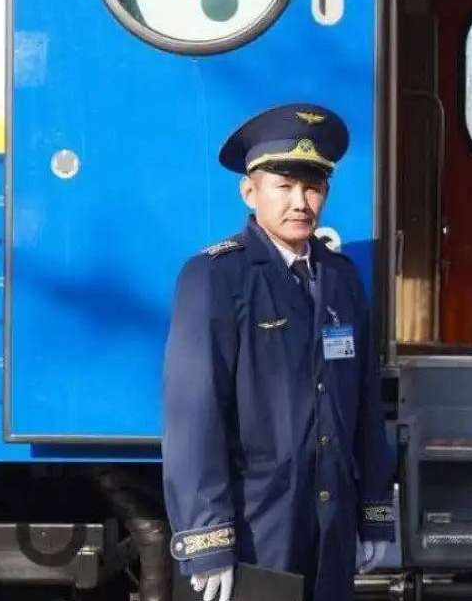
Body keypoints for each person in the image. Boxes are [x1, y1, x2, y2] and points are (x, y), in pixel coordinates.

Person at [162, 103, 395, 601]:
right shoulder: (216, 277)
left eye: (313, 188)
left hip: (331, 523)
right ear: (250, 192)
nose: (300, 203)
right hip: (256, 527)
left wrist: (374, 514)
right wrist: (208, 538)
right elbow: (195, 415)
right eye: (284, 186)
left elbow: (364, 405)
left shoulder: (341, 278)